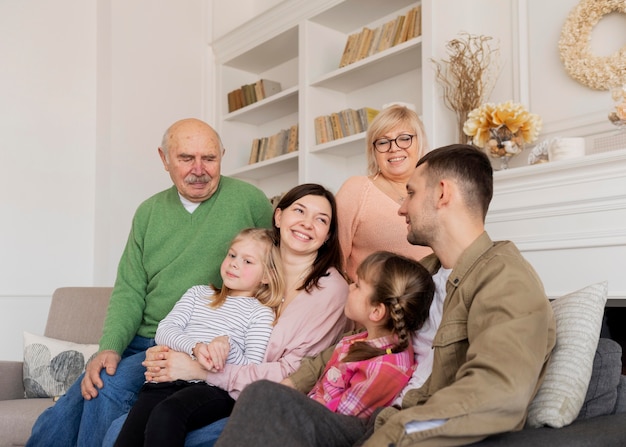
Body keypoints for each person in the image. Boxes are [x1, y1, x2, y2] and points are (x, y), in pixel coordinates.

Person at [214, 144, 557, 447]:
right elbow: (360, 341)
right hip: (362, 416)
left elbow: (498, 393)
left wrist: (389, 436)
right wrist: (292, 384)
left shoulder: (504, 278)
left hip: (396, 428)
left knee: (258, 402)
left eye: (410, 193)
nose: (401, 209)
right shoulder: (425, 271)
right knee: (265, 398)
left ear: (441, 194)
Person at [26, 118, 274, 447]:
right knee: (66, 409)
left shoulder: (250, 201)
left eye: (210, 159)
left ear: (223, 156)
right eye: (186, 158)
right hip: (147, 337)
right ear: (164, 158)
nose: (199, 169)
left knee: (106, 389)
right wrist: (110, 348)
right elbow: (129, 289)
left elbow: (277, 267)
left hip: (196, 345)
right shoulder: (149, 212)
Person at [101, 183, 350, 447]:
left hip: (252, 397)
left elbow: (294, 375)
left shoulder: (330, 292)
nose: (307, 223)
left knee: (148, 424)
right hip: (199, 379)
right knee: (114, 416)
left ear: (328, 235)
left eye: (321, 219)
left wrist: (200, 368)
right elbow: (187, 326)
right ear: (278, 216)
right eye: (299, 210)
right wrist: (171, 352)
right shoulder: (250, 274)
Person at [114, 227, 283, 447]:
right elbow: (164, 330)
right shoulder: (198, 294)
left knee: (167, 413)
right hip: (164, 381)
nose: (234, 263)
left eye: (247, 261)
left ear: (267, 276)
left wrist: (224, 348)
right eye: (232, 255)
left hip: (213, 390)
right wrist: (196, 347)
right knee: (129, 438)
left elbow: (251, 368)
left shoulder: (260, 313)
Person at [285, 250, 434, 420]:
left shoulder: (381, 370)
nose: (350, 287)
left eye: (357, 285)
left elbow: (335, 420)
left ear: (376, 311)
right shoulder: (364, 338)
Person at [335, 104, 432, 283]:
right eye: (383, 142)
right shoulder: (356, 189)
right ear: (373, 150)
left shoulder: (435, 192)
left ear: (420, 142)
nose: (394, 148)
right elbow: (333, 262)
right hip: (374, 306)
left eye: (404, 138)